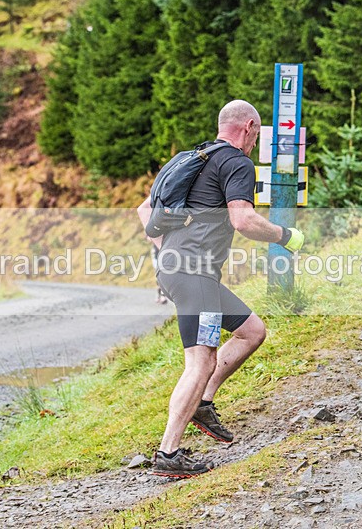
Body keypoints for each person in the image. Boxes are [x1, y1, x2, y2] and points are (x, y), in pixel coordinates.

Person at [137, 100, 304, 478]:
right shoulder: (237, 163)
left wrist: (170, 253)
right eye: (256, 135)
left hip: (185, 272)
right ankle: (168, 453)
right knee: (200, 361)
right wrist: (285, 236)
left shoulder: (189, 158)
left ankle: (202, 401)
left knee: (252, 331)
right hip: (195, 276)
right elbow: (242, 219)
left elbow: (144, 211)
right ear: (248, 127)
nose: (253, 142)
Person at [147, 238, 168, 304]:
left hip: (166, 254)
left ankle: (162, 295)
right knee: (159, 276)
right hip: (156, 254)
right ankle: (160, 294)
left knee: (164, 276)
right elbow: (148, 237)